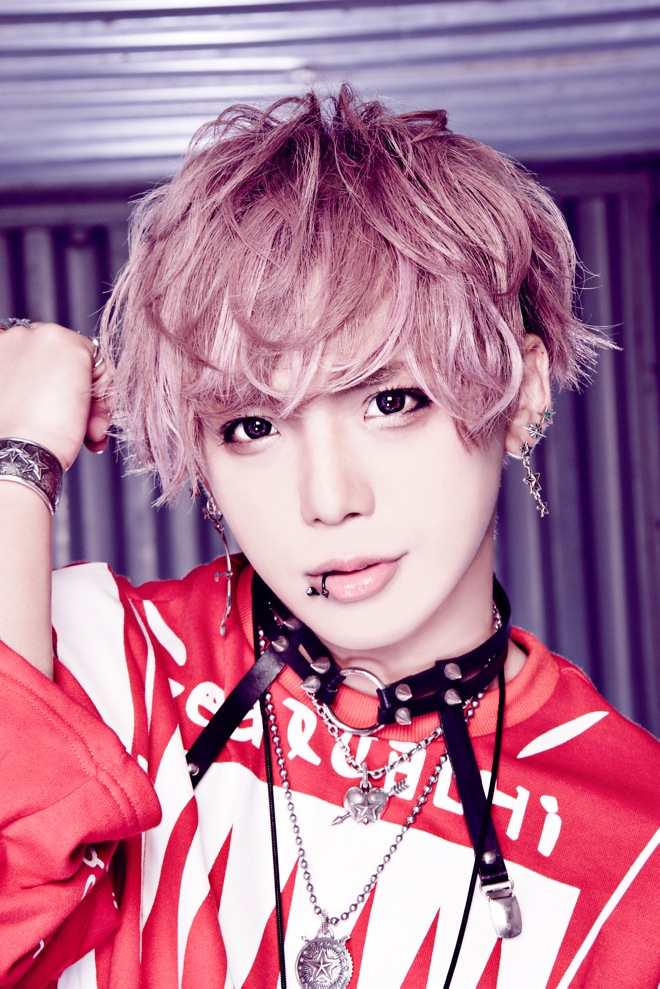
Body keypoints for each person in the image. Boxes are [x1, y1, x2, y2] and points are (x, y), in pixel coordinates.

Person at [0, 87, 658, 989]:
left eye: (392, 400)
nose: (329, 499)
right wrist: (17, 464)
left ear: (523, 392)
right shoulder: (104, 663)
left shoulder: (636, 845)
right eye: (254, 425)